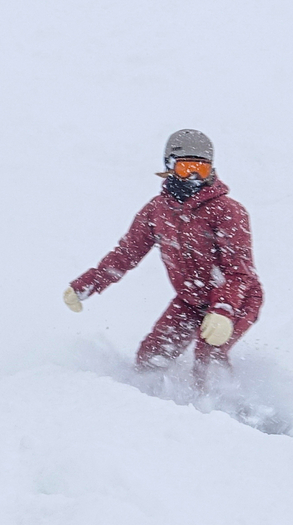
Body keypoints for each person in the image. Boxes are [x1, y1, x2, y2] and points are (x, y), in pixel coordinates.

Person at [63, 129, 264, 388]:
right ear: (169, 167)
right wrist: (87, 284)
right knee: (152, 354)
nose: (192, 176)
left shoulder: (227, 211)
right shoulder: (157, 211)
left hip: (238, 299)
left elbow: (239, 272)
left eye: (200, 170)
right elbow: (126, 254)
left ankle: (227, 410)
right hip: (191, 300)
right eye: (185, 168)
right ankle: (151, 404)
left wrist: (223, 310)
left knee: (209, 355)